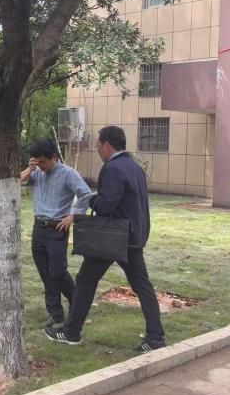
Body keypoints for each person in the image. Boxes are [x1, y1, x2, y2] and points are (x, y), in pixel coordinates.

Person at [45, 126, 165, 353]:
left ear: (107, 145)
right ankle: (155, 338)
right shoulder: (135, 167)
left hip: (114, 237)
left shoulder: (112, 168)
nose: (98, 149)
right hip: (133, 235)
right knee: (142, 286)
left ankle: (71, 332)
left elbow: (107, 205)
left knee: (85, 280)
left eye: (98, 145)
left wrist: (92, 200)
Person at [21, 140, 92, 329]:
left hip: (57, 228)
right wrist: (30, 169)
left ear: (54, 157)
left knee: (57, 272)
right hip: (39, 227)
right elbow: (17, 182)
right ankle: (55, 313)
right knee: (45, 274)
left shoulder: (68, 174)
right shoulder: (37, 172)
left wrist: (73, 216)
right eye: (37, 162)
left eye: (43, 162)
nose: (41, 166)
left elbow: (86, 194)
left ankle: (77, 303)